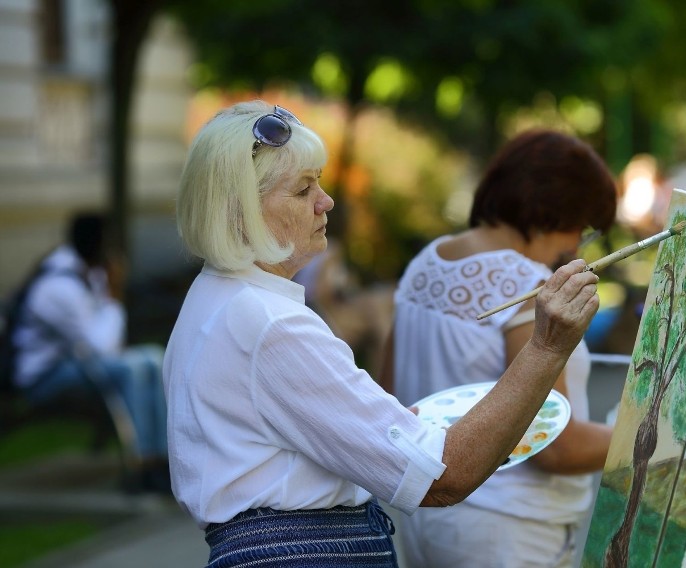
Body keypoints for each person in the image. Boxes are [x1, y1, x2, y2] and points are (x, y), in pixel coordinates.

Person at [164, 101, 601, 568]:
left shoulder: (219, 294)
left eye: (320, 183)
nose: (326, 200)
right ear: (243, 210)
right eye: (303, 189)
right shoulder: (268, 322)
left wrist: (376, 425)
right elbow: (442, 477)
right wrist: (547, 347)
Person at [380, 130, 618, 567]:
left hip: (427, 518)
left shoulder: (428, 261)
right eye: (582, 230)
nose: (574, 248)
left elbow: (391, 392)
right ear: (557, 211)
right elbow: (552, 444)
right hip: (509, 527)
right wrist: (648, 437)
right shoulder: (527, 284)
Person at [11, 212, 169, 492]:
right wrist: (114, 293)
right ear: (97, 247)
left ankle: (161, 460)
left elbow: (107, 344)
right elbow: (103, 347)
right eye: (109, 245)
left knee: (154, 359)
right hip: (44, 376)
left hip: (79, 364)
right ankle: (141, 465)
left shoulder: (86, 274)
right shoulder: (57, 286)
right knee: (131, 369)